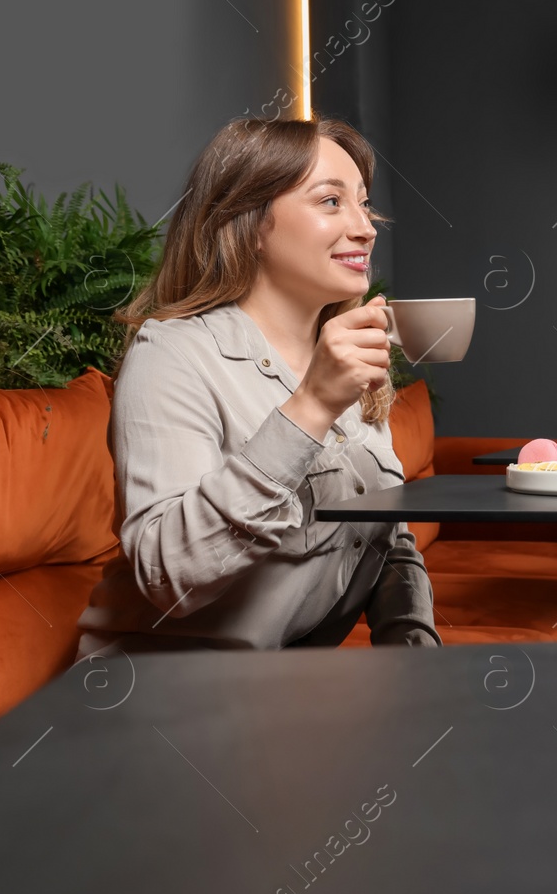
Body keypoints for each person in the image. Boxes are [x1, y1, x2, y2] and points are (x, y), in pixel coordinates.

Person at [75, 115, 440, 658]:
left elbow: (390, 538)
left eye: (364, 203)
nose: (365, 227)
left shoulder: (346, 351)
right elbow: (171, 575)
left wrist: (423, 664)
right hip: (162, 700)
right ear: (249, 222)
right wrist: (312, 406)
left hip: (281, 695)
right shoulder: (172, 354)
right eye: (330, 201)